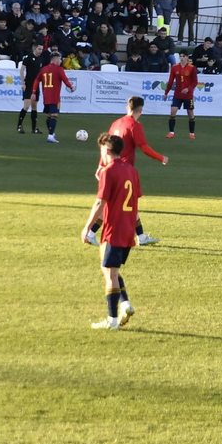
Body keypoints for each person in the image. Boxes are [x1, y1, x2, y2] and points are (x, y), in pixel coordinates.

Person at [81, 132, 141, 331]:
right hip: (128, 228)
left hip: (113, 230)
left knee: (110, 273)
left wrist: (88, 227)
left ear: (106, 150)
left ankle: (112, 320)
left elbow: (100, 202)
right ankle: (124, 304)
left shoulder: (109, 171)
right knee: (110, 270)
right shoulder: (132, 170)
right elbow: (133, 201)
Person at [108, 95, 165, 245]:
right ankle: (90, 232)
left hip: (110, 167)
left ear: (127, 108)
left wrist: (102, 165)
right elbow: (144, 148)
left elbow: (106, 146)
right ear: (141, 110)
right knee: (120, 204)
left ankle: (141, 237)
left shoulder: (116, 123)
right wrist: (161, 158)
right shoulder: (135, 125)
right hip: (125, 171)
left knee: (120, 203)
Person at [36, 49, 75, 143]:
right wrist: (71, 87)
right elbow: (65, 80)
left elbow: (36, 80)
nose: (61, 61)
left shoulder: (43, 69)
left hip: (46, 96)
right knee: (54, 115)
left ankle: (51, 133)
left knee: (48, 116)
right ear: (56, 59)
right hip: (55, 96)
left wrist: (34, 92)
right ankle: (50, 135)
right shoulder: (59, 69)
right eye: (60, 59)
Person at [164, 52, 199, 138]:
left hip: (188, 95)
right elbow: (170, 81)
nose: (182, 58)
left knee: (190, 113)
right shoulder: (175, 67)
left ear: (187, 57)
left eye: (183, 56)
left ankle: (192, 133)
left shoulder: (192, 68)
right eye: (180, 56)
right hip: (177, 94)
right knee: (173, 111)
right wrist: (166, 92)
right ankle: (171, 132)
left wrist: (188, 89)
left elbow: (195, 82)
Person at [18, 43, 47, 135]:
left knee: (34, 107)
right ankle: (19, 126)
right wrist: (23, 83)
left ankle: (34, 128)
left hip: (36, 85)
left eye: (42, 49)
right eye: (39, 49)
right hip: (29, 84)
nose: (41, 51)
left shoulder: (41, 59)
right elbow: (22, 70)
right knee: (26, 106)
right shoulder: (28, 58)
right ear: (34, 49)